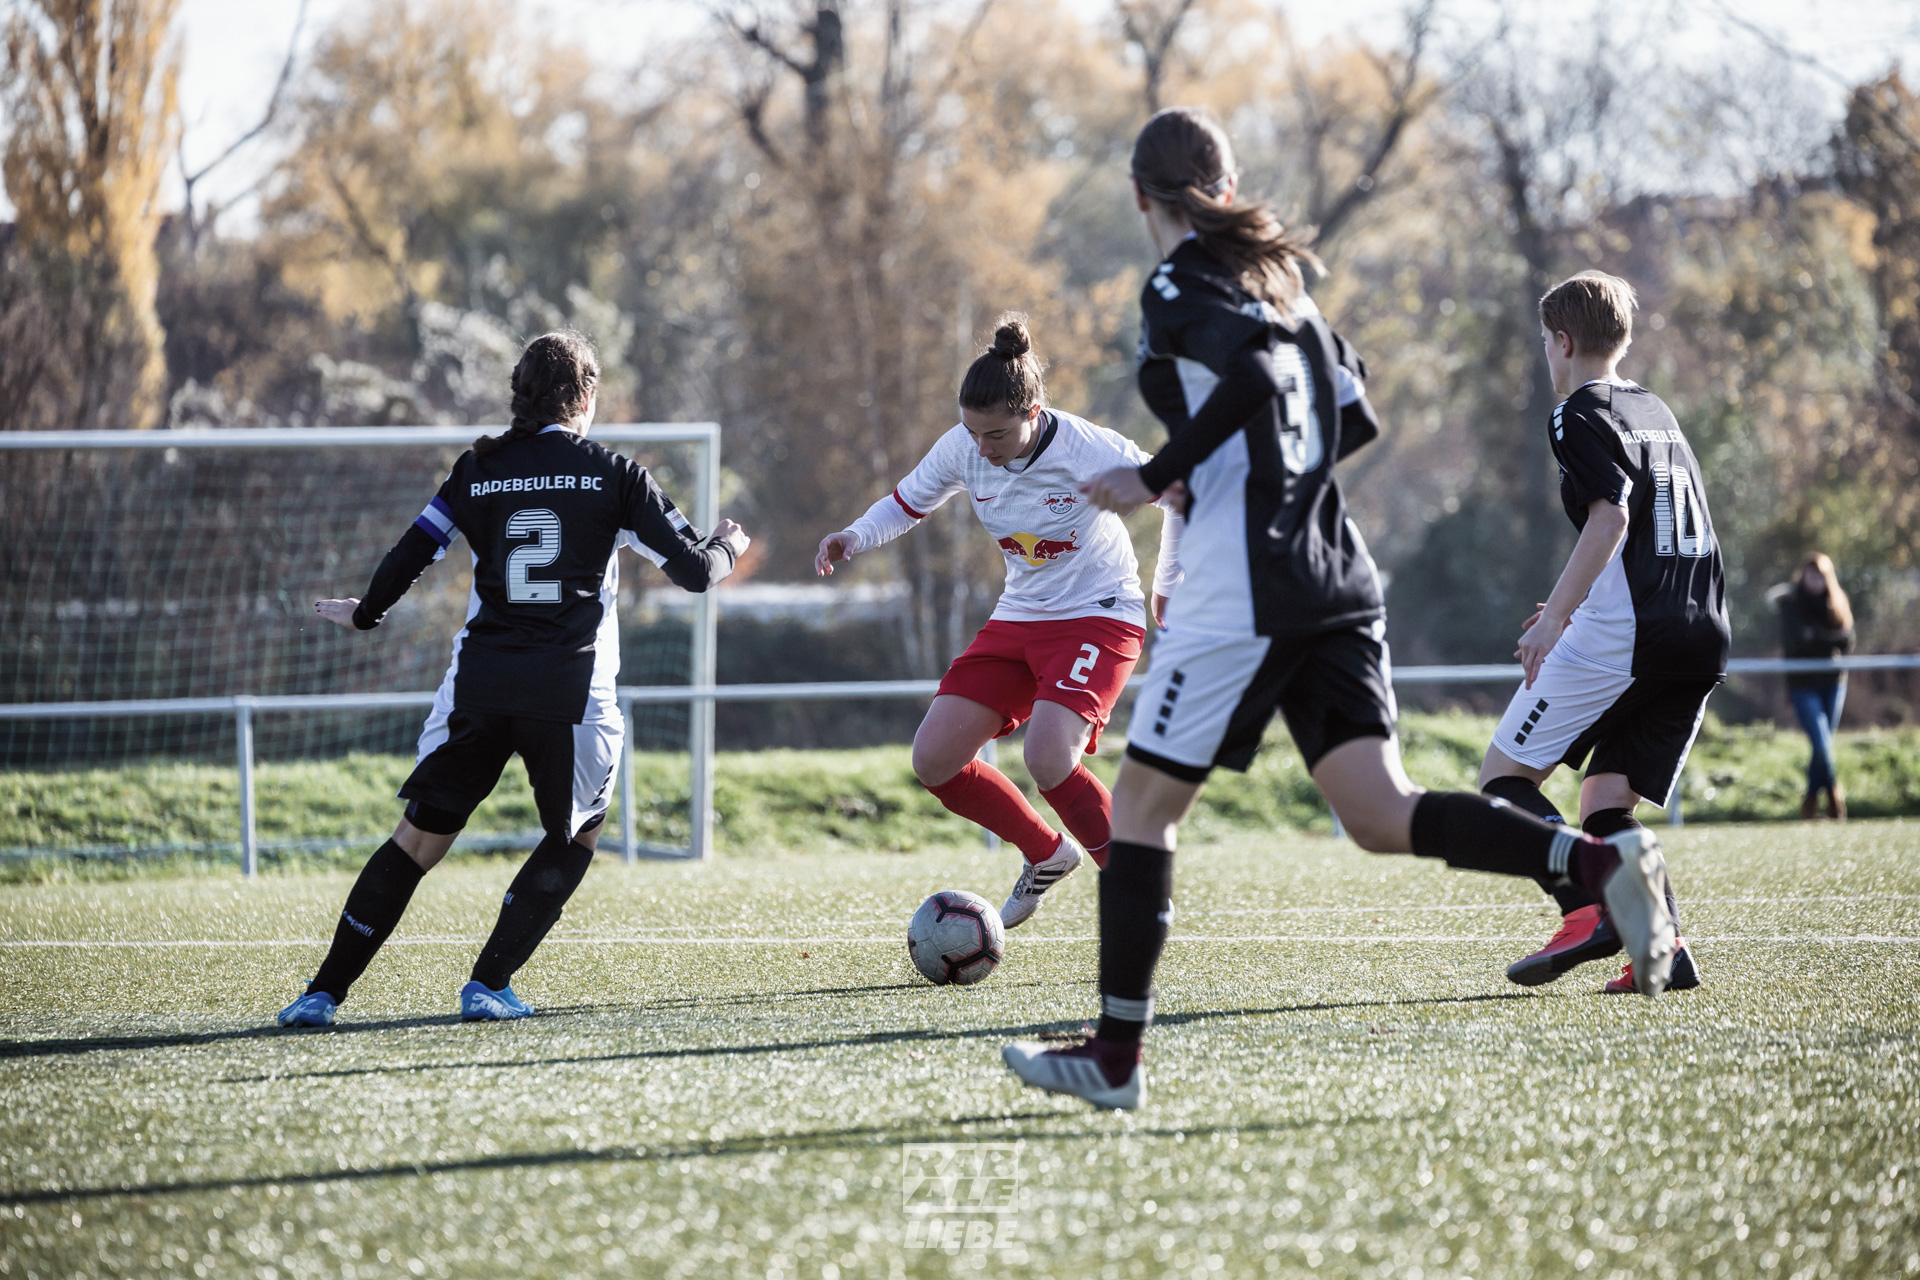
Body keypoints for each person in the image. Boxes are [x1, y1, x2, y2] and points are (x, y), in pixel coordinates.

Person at [999, 107, 1680, 1112]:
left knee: (1140, 807)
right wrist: (1252, 471)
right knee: (1377, 811)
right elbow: (1349, 406)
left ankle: (1114, 1055)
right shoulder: (1286, 285)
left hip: (1248, 582)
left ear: (1142, 196)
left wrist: (1166, 473)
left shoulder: (1182, 282)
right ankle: (1593, 860)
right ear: (1223, 189)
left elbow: (1259, 375)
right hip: (1336, 572)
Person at [276, 330, 749, 1028]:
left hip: (481, 682)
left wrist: (367, 614)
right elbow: (693, 574)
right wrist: (729, 546)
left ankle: (320, 994)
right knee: (578, 834)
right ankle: (488, 984)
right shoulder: (616, 473)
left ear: (520, 398)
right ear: (586, 396)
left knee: (417, 840)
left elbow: (413, 550)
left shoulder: (479, 469)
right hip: (570, 692)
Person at [815, 315, 1183, 928]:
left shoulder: (1087, 449)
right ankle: (1047, 854)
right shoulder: (965, 445)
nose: (982, 449)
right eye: (972, 433)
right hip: (1020, 616)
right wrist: (852, 536)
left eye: (997, 435)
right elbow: (907, 503)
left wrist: (1167, 584)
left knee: (1048, 755)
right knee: (934, 761)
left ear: (1034, 411)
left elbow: (1176, 491)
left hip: (1099, 615)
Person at [1476, 271, 1730, 997]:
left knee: (1503, 780)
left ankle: (1587, 907)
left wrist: (1555, 616)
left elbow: (1610, 516)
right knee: (1605, 799)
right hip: (1699, 627)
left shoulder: (1576, 411)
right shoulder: (1655, 409)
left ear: (1562, 340)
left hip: (1629, 630)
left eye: (1545, 344)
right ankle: (1664, 950)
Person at [1771, 553, 1854, 821]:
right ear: (1802, 576)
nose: (1814, 580)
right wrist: (1829, 639)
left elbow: (1848, 641)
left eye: (1819, 575)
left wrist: (1816, 636)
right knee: (1821, 743)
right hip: (1803, 684)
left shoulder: (1836, 602)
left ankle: (1809, 800)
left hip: (1833, 683)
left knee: (1824, 745)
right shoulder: (1791, 603)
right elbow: (1797, 643)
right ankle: (1833, 796)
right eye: (1810, 575)